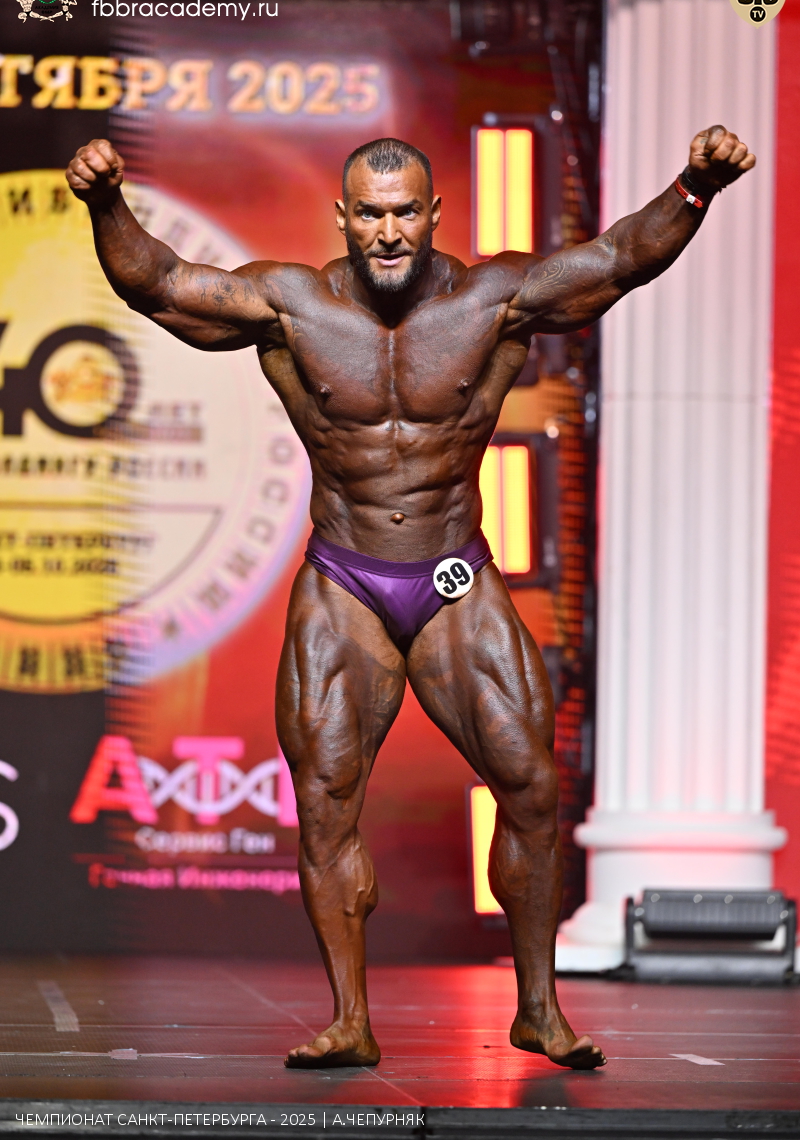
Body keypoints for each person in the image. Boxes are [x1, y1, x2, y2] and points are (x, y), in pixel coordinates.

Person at [66, 126, 754, 1071]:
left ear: (433, 215)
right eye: (369, 215)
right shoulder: (290, 305)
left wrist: (695, 186)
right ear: (341, 217)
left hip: (451, 575)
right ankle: (350, 1020)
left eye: (403, 215)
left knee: (530, 786)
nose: (387, 233)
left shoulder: (491, 300)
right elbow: (160, 285)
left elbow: (619, 260)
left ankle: (539, 1012)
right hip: (343, 579)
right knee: (327, 804)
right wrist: (106, 203)